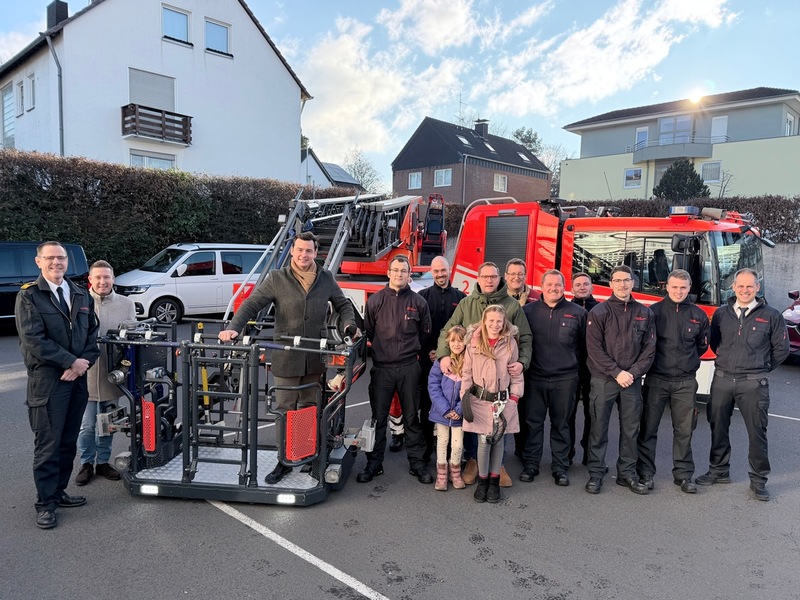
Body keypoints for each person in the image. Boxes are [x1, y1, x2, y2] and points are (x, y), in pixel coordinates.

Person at [219, 231, 357, 484]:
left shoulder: (325, 278)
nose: (304, 255)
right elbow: (251, 304)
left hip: (314, 355)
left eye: (309, 251)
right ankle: (284, 460)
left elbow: (343, 305)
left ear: (316, 253)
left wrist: (349, 324)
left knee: (308, 408)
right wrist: (234, 327)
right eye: (300, 250)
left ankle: (302, 455)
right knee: (284, 409)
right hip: (286, 355)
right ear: (293, 251)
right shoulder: (276, 278)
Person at [15, 241, 100, 529]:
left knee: (67, 442)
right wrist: (69, 362)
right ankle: (45, 504)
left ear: (67, 262)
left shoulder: (78, 293)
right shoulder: (29, 297)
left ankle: (59, 492)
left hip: (76, 379)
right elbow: (33, 340)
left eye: (61, 258)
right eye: (50, 258)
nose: (56, 263)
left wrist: (81, 364)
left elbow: (93, 335)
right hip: (48, 382)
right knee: (48, 445)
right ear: (38, 262)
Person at [436, 262, 532, 488]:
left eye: (493, 276)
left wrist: (522, 363)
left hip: (502, 378)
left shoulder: (512, 306)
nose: (489, 281)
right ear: (478, 278)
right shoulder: (466, 304)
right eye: (485, 277)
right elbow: (446, 331)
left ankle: (497, 465)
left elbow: (525, 338)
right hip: (475, 379)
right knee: (473, 418)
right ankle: (473, 461)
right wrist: (444, 355)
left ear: (500, 278)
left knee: (501, 420)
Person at [697, 268, 789, 501]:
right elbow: (715, 343)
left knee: (757, 432)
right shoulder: (721, 314)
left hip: (753, 383)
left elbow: (782, 350)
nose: (745, 290)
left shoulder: (771, 315)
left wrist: (760, 368)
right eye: (740, 286)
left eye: (750, 286)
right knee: (717, 427)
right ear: (734, 287)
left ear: (758, 287)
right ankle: (719, 471)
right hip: (722, 379)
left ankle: (758, 480)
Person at [358, 255, 433, 484]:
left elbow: (426, 333)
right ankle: (374, 464)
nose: (399, 274)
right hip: (382, 369)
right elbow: (368, 332)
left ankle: (417, 464)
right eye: (396, 270)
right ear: (388, 273)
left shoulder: (419, 302)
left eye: (404, 271)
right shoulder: (376, 301)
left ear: (410, 275)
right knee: (378, 418)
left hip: (409, 367)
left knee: (411, 417)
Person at [584, 265, 655, 496]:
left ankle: (627, 474)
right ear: (611, 284)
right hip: (604, 379)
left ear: (633, 282)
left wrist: (632, 373)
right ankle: (596, 473)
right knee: (598, 428)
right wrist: (617, 372)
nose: (622, 284)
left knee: (631, 430)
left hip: (631, 381)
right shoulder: (599, 312)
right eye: (617, 280)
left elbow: (649, 349)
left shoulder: (645, 312)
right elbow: (594, 348)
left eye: (627, 280)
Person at [636, 270, 709, 494]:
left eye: (683, 287)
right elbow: (643, 344)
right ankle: (646, 473)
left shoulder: (698, 315)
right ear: (666, 287)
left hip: (685, 382)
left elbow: (702, 346)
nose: (679, 291)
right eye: (675, 287)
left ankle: (684, 475)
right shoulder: (653, 313)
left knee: (685, 430)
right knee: (648, 428)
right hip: (657, 379)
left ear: (689, 289)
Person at [520, 270, 586, 486]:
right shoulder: (527, 312)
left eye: (558, 285)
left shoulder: (577, 313)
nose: (553, 288)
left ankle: (560, 467)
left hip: (566, 379)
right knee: (533, 423)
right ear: (541, 286)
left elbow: (585, 348)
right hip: (535, 378)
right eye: (549, 285)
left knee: (562, 424)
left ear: (564, 287)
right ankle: (531, 464)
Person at [76, 260, 137, 486]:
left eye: (107, 277)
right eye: (98, 277)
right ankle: (86, 463)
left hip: (114, 376)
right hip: (86, 376)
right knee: (87, 425)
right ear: (90, 280)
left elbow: (133, 338)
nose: (102, 281)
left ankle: (103, 462)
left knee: (108, 423)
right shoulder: (79, 301)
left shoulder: (127, 304)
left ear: (113, 279)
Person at [461, 305, 523, 503]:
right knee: (483, 442)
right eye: (491, 321)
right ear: (484, 321)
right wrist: (465, 398)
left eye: (499, 321)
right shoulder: (474, 343)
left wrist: (514, 398)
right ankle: (483, 480)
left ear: (504, 322)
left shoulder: (510, 343)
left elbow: (516, 374)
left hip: (503, 401)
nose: (495, 325)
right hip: (480, 401)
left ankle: (494, 482)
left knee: (499, 441)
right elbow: (467, 373)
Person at [409, 256, 466, 461]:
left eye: (443, 270)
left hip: (455, 360)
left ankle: (452, 450)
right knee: (427, 402)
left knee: (454, 401)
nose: (440, 275)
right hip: (427, 359)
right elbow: (418, 329)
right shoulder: (422, 296)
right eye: (436, 271)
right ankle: (426, 448)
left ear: (449, 270)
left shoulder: (461, 297)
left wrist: (447, 354)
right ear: (431, 273)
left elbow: (463, 330)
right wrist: (430, 352)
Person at [428, 325, 468, 491]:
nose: (457, 344)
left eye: (460, 341)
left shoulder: (469, 363)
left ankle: (455, 473)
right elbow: (433, 386)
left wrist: (459, 410)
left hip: (459, 414)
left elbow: (470, 389)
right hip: (442, 413)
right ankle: (442, 475)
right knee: (442, 442)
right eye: (453, 341)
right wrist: (445, 409)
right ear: (447, 343)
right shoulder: (440, 363)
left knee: (458, 445)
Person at [568, 272, 599, 465]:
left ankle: (589, 452)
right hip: (571, 368)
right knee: (568, 413)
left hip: (594, 370)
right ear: (572, 288)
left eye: (585, 284)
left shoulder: (600, 309)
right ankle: (568, 453)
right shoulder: (567, 308)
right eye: (577, 284)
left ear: (591, 287)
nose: (581, 287)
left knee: (592, 413)